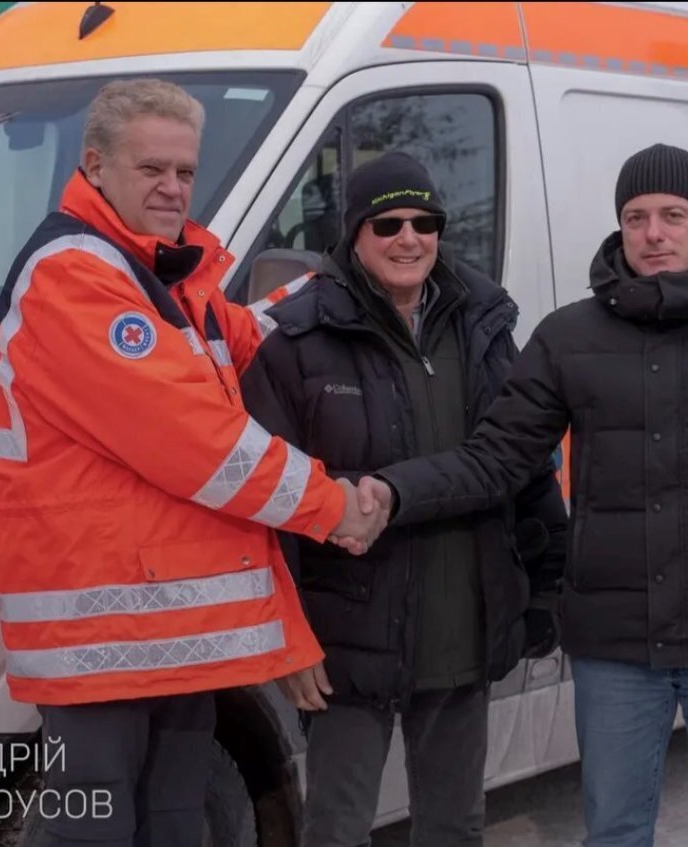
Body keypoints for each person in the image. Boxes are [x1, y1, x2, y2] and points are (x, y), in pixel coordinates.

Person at [359, 143, 688, 847]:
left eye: (673, 214)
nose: (653, 232)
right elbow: (497, 457)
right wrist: (394, 490)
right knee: (614, 831)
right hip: (615, 648)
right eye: (635, 215)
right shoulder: (568, 336)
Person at [0, 78, 386, 847]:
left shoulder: (157, 272)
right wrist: (332, 505)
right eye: (152, 170)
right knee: (92, 825)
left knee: (174, 820)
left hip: (165, 626)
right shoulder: (76, 274)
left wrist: (350, 284)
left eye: (185, 172)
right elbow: (198, 440)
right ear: (95, 167)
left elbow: (249, 336)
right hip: (97, 635)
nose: (173, 189)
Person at [239, 151, 568, 847]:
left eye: (425, 221)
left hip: (464, 627)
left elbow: (525, 465)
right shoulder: (297, 340)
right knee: (335, 829)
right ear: (353, 234)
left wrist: (544, 590)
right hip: (348, 643)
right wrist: (287, 637)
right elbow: (266, 504)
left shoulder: (482, 324)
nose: (408, 238)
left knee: (454, 828)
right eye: (387, 223)